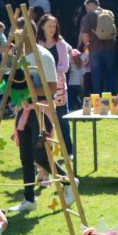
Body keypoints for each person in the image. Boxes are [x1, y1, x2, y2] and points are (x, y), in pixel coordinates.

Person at [9, 23, 77, 213]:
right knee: (25, 155)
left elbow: (52, 88)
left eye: (18, 33)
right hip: (24, 109)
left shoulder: (44, 56)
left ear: (29, 33)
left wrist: (28, 89)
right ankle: (29, 199)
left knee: (40, 155)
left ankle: (69, 181)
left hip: (41, 109)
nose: (14, 37)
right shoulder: (19, 55)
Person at [37, 14, 74, 156]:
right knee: (43, 121)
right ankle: (45, 153)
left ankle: (68, 151)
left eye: (54, 26)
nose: (52, 29)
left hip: (58, 88)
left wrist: (50, 71)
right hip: (41, 86)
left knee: (62, 120)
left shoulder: (61, 44)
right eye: (49, 26)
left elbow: (65, 66)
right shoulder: (37, 43)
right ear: (42, 27)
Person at [80, 0, 116, 95]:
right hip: (110, 48)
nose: (86, 10)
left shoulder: (88, 16)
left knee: (96, 76)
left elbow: (85, 35)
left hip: (94, 50)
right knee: (110, 75)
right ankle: (112, 98)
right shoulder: (109, 13)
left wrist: (87, 46)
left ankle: (98, 99)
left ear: (89, 5)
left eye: (86, 7)